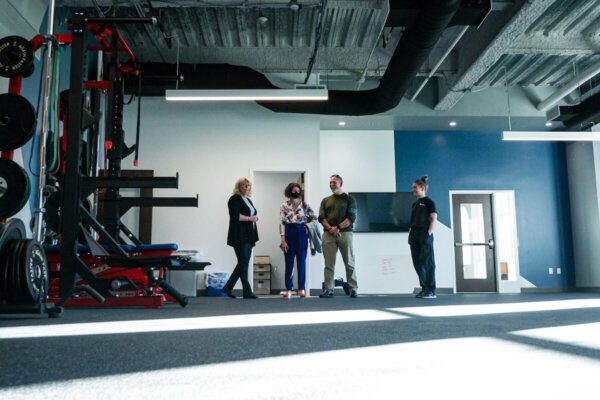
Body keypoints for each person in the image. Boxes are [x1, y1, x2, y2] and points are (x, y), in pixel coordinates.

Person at [318, 174, 358, 298]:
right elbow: (321, 217)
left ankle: (353, 289)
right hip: (328, 234)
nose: (331, 184)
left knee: (349, 262)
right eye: (330, 182)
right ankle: (328, 290)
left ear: (341, 183)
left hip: (345, 233)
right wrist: (330, 229)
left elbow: (352, 218)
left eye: (334, 182)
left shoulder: (349, 199)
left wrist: (338, 228)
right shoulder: (325, 200)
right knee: (329, 264)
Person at [222, 177, 259, 299]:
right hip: (239, 235)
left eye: (248, 186)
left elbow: (251, 214)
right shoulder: (234, 199)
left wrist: (254, 217)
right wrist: (250, 218)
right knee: (243, 263)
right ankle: (242, 290)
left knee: (243, 263)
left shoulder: (248, 200)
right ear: (238, 187)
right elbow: (235, 216)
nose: (247, 188)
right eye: (244, 186)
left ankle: (234, 289)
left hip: (249, 235)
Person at [279, 182, 316, 298]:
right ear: (289, 192)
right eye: (294, 191)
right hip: (289, 233)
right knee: (289, 263)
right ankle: (289, 289)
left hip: (301, 234)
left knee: (301, 262)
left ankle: (301, 289)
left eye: (298, 191)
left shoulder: (304, 205)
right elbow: (281, 224)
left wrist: (306, 224)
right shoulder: (284, 206)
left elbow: (315, 217)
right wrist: (283, 240)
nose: (296, 193)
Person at [409, 175, 438, 299]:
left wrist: (428, 234)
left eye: (415, 187)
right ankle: (424, 288)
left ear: (422, 188)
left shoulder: (429, 202)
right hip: (414, 235)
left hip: (424, 235)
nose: (413, 189)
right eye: (413, 187)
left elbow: (433, 220)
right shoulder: (415, 204)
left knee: (427, 263)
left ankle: (431, 290)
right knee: (418, 263)